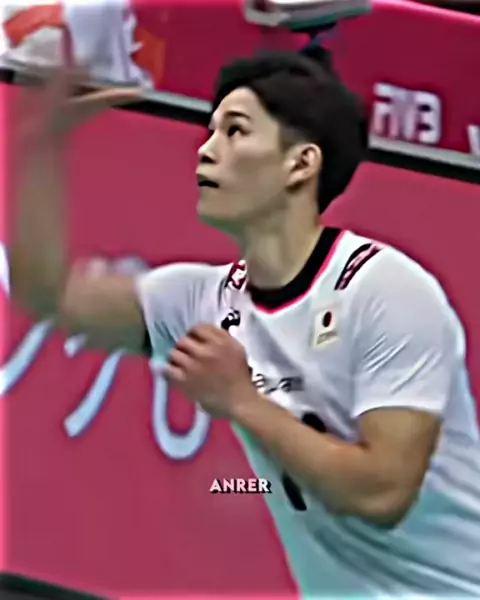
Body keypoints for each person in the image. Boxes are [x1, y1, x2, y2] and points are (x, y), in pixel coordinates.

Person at [9, 45, 480, 598]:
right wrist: (42, 149)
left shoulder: (386, 292)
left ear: (300, 164)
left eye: (235, 131)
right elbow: (49, 296)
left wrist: (241, 400)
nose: (206, 150)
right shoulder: (200, 299)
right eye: (210, 131)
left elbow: (383, 494)